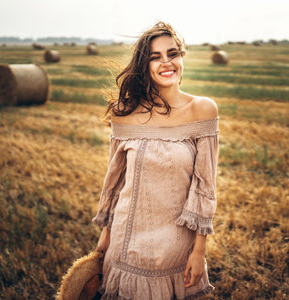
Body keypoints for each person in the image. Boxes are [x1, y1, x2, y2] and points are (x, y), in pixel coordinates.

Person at [92, 21, 219, 299]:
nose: (166, 62)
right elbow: (116, 181)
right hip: (126, 245)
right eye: (155, 57)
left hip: (175, 249)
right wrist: (105, 237)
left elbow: (204, 186)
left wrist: (199, 250)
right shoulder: (125, 113)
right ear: (144, 65)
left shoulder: (202, 110)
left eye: (172, 54)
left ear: (181, 56)